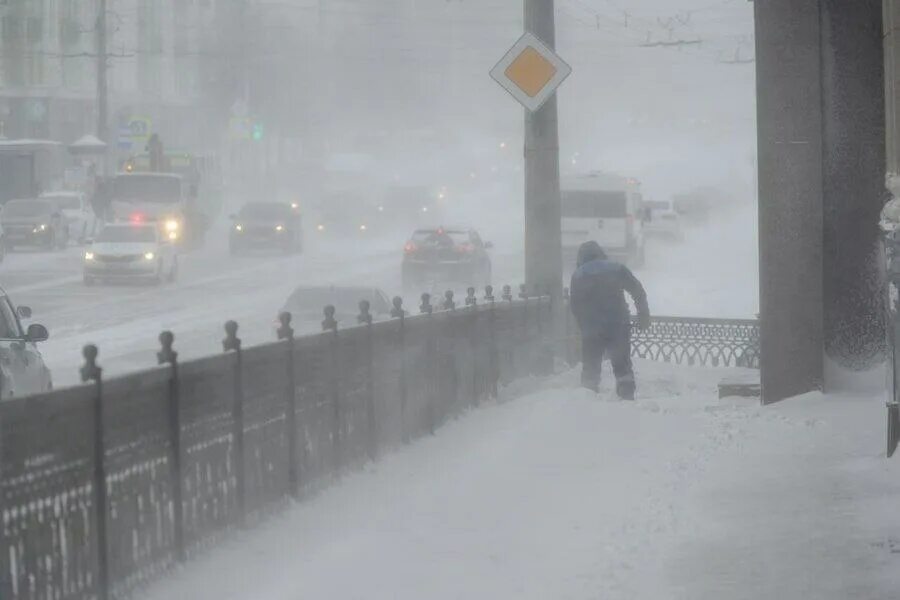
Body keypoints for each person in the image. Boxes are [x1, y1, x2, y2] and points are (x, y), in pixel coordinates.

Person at [570, 241, 650, 399]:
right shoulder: (616, 268)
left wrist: (583, 327)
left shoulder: (578, 275)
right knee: (622, 366)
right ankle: (626, 399)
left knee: (591, 369)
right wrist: (643, 315)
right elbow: (637, 290)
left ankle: (587, 401)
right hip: (618, 325)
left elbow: (575, 305)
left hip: (592, 329)